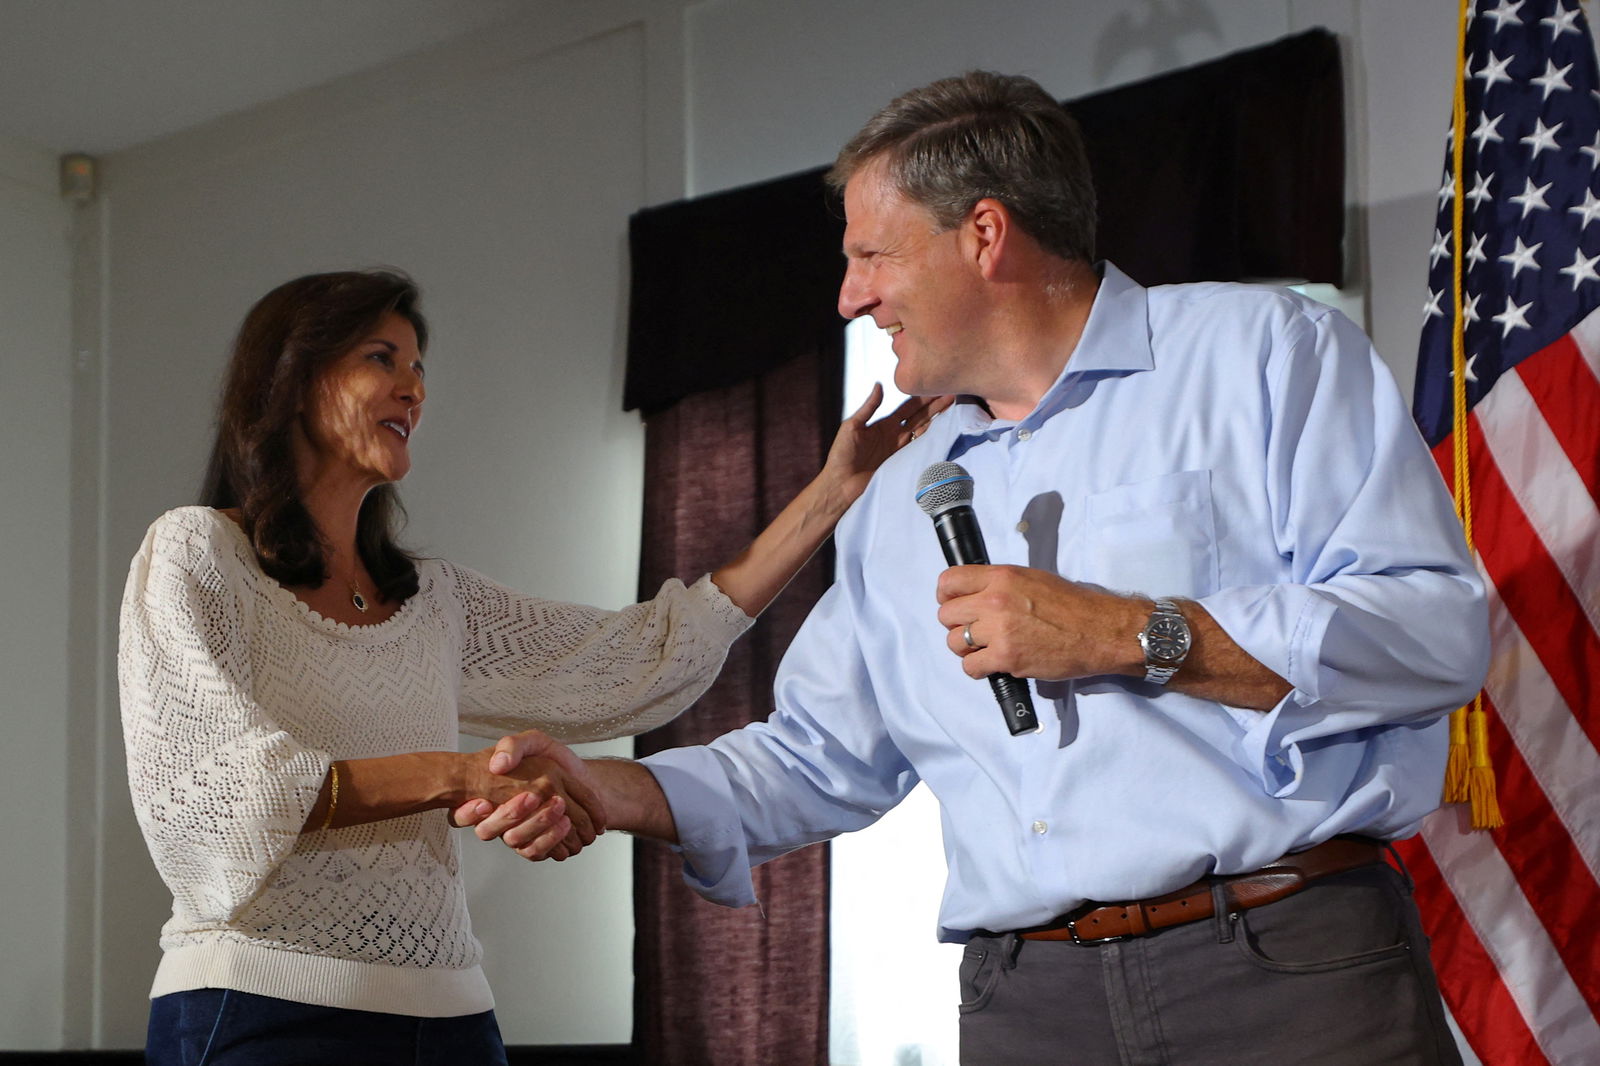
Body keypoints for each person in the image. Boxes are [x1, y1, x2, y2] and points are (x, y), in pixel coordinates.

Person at [472, 71, 1489, 1064]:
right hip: (1025, 1004)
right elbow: (817, 756)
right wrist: (612, 790)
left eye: (871, 254)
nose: (848, 297)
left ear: (985, 235)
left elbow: (1433, 634)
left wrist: (1127, 632)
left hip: (1282, 975)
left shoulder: (1265, 355)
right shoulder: (901, 490)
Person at [118, 269, 946, 1065]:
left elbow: (644, 660)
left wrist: (837, 490)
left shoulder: (434, 601)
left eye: (419, 368)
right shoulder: (199, 553)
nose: (414, 388)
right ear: (293, 378)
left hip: (453, 1020)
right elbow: (215, 795)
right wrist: (456, 774)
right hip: (261, 1014)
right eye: (382, 358)